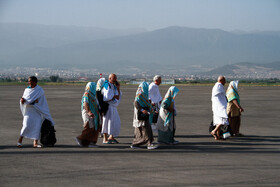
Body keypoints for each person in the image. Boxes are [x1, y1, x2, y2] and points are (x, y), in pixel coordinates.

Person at [17, 76, 54, 148]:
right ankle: (20, 140)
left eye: (30, 81)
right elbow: (24, 99)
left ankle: (35, 143)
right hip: (28, 110)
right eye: (28, 81)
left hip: (37, 111)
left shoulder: (40, 90)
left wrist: (35, 102)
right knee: (26, 125)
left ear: (35, 82)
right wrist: (22, 101)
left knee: (37, 126)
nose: (29, 83)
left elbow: (41, 101)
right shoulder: (26, 90)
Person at [131, 82, 158, 149]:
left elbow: (146, 103)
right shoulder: (140, 95)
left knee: (143, 129)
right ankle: (149, 143)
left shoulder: (144, 95)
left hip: (144, 114)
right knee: (145, 129)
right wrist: (142, 110)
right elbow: (136, 103)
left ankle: (136, 143)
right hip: (141, 115)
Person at [75, 82, 101, 147]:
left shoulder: (93, 95)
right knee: (90, 127)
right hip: (88, 113)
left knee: (95, 127)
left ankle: (92, 141)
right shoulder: (87, 94)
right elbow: (85, 104)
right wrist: (89, 112)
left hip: (95, 114)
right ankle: (81, 139)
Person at [101, 74, 122, 144]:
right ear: (110, 78)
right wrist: (115, 96)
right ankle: (105, 138)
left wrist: (118, 88)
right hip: (108, 107)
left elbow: (118, 96)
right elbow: (107, 97)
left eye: (116, 78)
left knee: (115, 122)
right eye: (114, 79)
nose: (115, 80)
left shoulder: (114, 86)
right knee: (106, 122)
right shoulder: (107, 86)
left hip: (113, 107)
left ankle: (111, 137)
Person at [211, 76, 229, 140]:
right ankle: (214, 131)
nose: (225, 82)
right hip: (220, 106)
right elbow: (223, 96)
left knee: (217, 120)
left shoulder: (216, 86)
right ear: (221, 81)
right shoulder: (219, 86)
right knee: (223, 119)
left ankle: (218, 136)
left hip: (216, 106)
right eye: (224, 81)